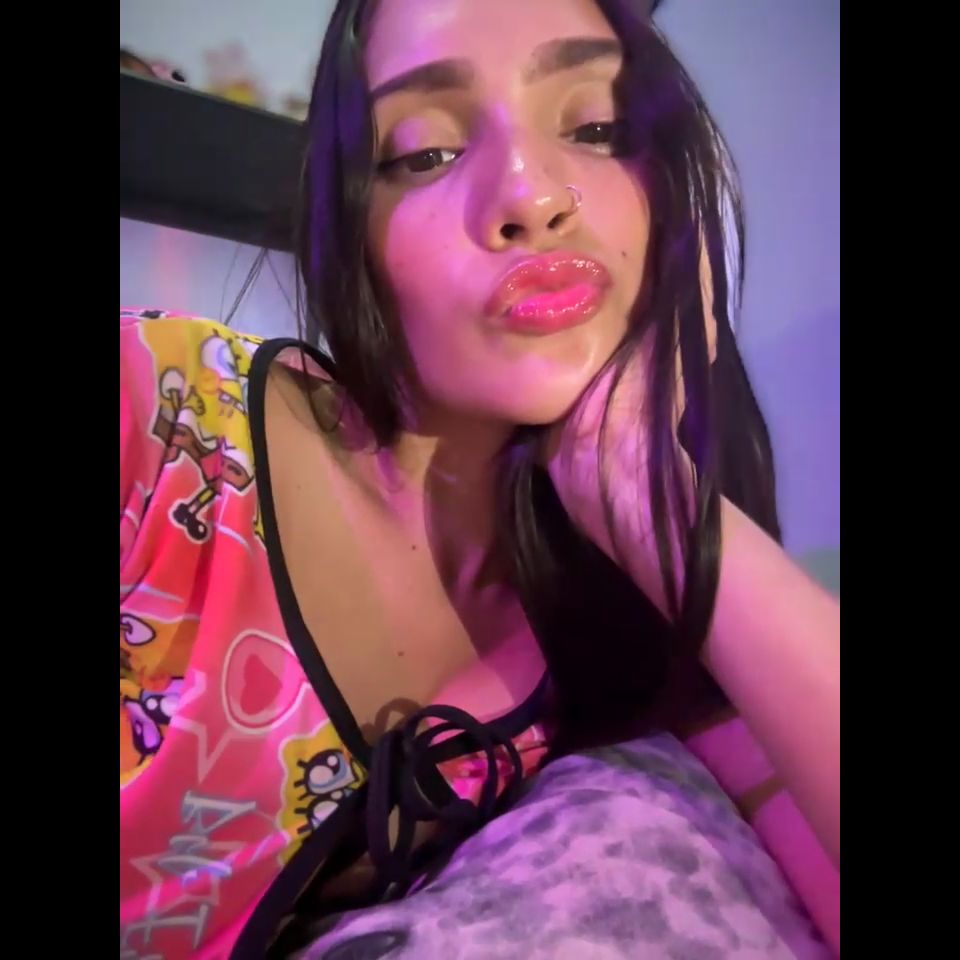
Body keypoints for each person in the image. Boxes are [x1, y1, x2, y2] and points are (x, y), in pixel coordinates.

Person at [119, 0, 840, 957]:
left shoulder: (625, 626)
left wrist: (652, 499)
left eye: (597, 129)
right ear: (351, 224)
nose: (530, 196)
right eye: (426, 151)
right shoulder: (155, 415)